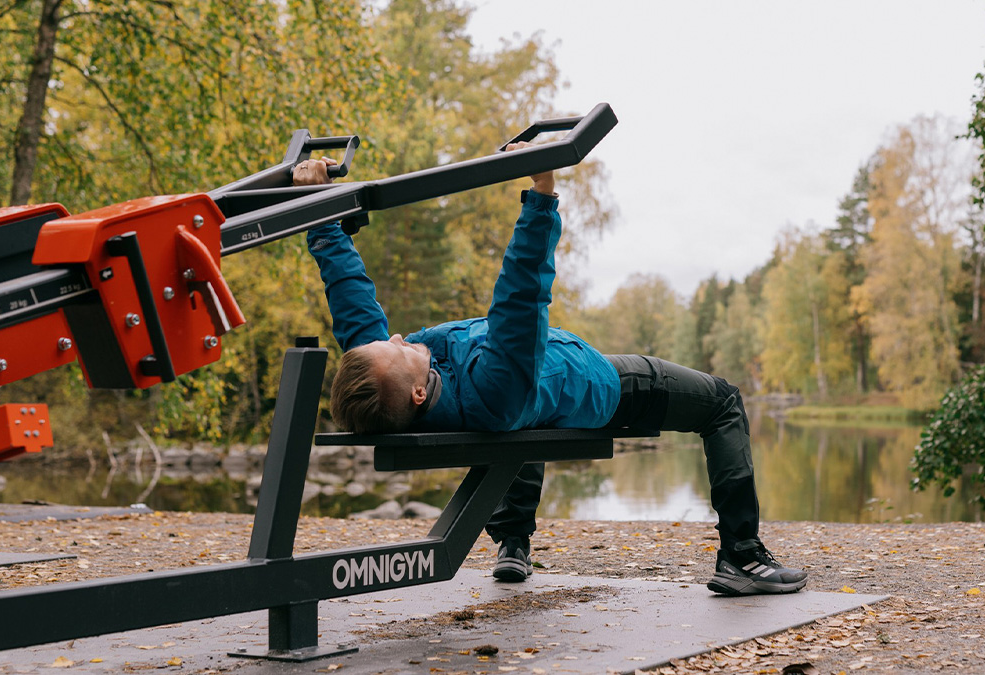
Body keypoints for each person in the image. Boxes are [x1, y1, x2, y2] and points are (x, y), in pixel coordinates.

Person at [295, 149, 807, 596]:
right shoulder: (491, 385)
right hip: (603, 388)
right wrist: (542, 190)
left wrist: (318, 210)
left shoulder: (396, 386)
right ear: (418, 392)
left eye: (388, 341)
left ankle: (513, 543)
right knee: (722, 401)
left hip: (535, 400)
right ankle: (742, 555)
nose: (399, 338)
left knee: (521, 423)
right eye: (397, 350)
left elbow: (351, 296)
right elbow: (521, 294)